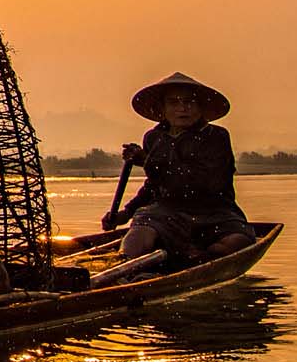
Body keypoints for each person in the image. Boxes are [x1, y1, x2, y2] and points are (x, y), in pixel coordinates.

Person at [104, 72, 254, 264]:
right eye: (174, 103)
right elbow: (154, 186)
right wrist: (126, 213)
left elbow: (207, 182)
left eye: (190, 102)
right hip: (167, 214)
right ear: (163, 109)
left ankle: (200, 261)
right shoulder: (154, 138)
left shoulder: (216, 137)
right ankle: (123, 266)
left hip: (214, 214)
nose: (183, 108)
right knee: (139, 234)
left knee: (239, 241)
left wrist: (148, 162)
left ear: (200, 108)